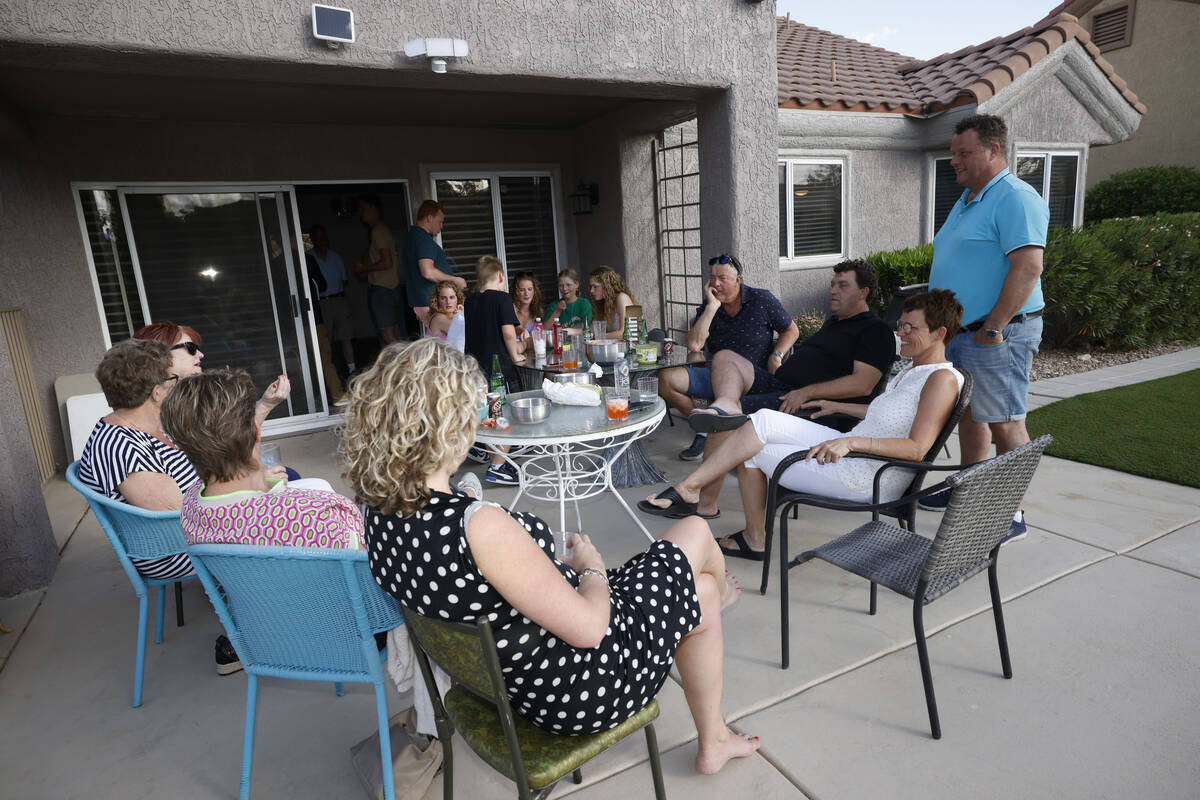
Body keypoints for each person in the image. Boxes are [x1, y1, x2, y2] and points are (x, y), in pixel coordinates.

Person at [340, 339, 759, 774]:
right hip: (576, 690)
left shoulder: (378, 512)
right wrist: (591, 566)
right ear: (451, 425)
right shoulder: (477, 526)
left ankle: (714, 732)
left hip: (501, 683)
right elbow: (592, 629)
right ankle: (715, 612)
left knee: (701, 589)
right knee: (693, 532)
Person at [639, 291, 964, 561]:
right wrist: (839, 406)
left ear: (939, 334)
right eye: (901, 325)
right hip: (853, 448)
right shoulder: (913, 370)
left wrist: (852, 444)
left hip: (869, 475)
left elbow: (918, 447)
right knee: (759, 422)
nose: (900, 333)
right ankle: (695, 492)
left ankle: (741, 529)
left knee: (752, 450)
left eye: (911, 328)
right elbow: (890, 415)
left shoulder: (941, 379)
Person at [75, 338, 245, 674]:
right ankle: (241, 642)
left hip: (193, 529)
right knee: (286, 525)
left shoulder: (145, 427)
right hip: (174, 548)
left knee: (289, 496)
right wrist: (245, 495)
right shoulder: (122, 447)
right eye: (172, 379)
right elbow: (179, 511)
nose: (177, 385)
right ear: (155, 392)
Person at [923, 114, 1048, 541]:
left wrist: (994, 327)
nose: (954, 160)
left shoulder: (1014, 197)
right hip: (963, 333)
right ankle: (969, 490)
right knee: (972, 416)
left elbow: (1029, 266)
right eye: (953, 152)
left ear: (994, 151)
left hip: (997, 335)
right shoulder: (969, 198)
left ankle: (1008, 514)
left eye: (964, 153)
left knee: (1006, 422)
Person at [161, 368, 364, 550]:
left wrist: (263, 484)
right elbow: (368, 575)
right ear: (256, 432)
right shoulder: (321, 514)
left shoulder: (191, 506)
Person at [687, 260, 895, 433]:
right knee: (725, 357)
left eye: (842, 286)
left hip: (806, 405)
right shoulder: (835, 323)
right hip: (781, 385)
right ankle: (723, 405)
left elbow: (862, 384)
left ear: (863, 292)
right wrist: (777, 358)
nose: (833, 291)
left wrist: (806, 393)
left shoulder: (875, 330)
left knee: (724, 423)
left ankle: (722, 417)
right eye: (833, 285)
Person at [658, 254, 799, 462]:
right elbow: (695, 345)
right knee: (666, 379)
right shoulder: (710, 305)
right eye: (712, 278)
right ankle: (710, 428)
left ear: (738, 281)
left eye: (722, 278)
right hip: (718, 375)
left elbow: (791, 330)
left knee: (725, 361)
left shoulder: (761, 300)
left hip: (755, 376)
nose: (715, 283)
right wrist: (712, 308)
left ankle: (712, 430)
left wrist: (777, 355)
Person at [134, 322, 291, 428]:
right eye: (190, 348)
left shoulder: (187, 399)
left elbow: (230, 440)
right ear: (159, 354)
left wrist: (266, 404)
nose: (201, 354)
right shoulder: (146, 415)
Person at [463, 255, 528, 485]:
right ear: (501, 277)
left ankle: (496, 459)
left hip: (474, 369)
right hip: (498, 371)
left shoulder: (470, 302)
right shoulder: (501, 298)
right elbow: (509, 333)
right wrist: (516, 354)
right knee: (503, 416)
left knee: (489, 417)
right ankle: (498, 466)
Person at [402, 199, 466, 328]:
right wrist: (455, 280)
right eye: (440, 222)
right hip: (433, 302)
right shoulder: (423, 239)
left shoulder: (412, 236)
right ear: (429, 218)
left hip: (423, 301)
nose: (441, 226)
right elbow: (428, 272)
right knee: (450, 340)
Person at [357, 194, 407, 345]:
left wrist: (364, 268)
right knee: (397, 332)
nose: (361, 213)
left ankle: (402, 367)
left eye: (363, 209)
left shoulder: (377, 231)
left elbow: (387, 262)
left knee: (388, 335)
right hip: (393, 287)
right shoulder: (384, 229)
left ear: (373, 208)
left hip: (382, 289)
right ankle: (407, 366)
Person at [308, 224, 357, 378]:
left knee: (345, 336)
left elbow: (344, 280)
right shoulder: (308, 257)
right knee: (325, 340)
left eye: (324, 237)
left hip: (338, 299)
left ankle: (352, 370)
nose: (321, 240)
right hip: (321, 302)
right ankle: (330, 375)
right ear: (312, 240)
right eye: (318, 237)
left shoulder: (336, 257)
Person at [587, 266, 636, 340]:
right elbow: (591, 330)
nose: (591, 291)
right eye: (591, 287)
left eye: (595, 286)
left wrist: (596, 336)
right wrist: (568, 331)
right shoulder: (604, 303)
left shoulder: (622, 297)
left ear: (607, 286)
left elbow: (625, 333)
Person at [426, 279, 466, 353]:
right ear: (437, 300)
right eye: (443, 298)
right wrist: (461, 315)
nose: (448, 302)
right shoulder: (440, 318)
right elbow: (465, 333)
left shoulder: (450, 316)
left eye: (452, 297)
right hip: (440, 362)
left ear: (458, 298)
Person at [510, 271, 544, 338]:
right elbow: (514, 329)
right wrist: (522, 331)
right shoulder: (511, 308)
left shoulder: (538, 311)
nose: (526, 293)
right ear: (516, 292)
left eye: (529, 289)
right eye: (522, 290)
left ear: (534, 291)